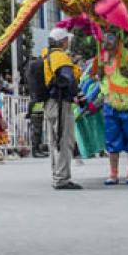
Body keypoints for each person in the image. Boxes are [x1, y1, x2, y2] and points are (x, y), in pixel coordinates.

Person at [91, 30, 128, 185]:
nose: (106, 41)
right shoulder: (100, 58)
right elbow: (93, 76)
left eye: (110, 38)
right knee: (111, 140)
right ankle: (113, 174)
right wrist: (98, 74)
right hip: (110, 105)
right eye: (104, 38)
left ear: (117, 39)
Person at [42, 27, 82, 190]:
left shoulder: (47, 55)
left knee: (54, 142)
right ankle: (62, 179)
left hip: (50, 103)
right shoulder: (61, 57)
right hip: (60, 104)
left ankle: (57, 174)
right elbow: (68, 79)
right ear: (63, 41)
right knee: (65, 140)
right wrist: (77, 95)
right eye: (67, 40)